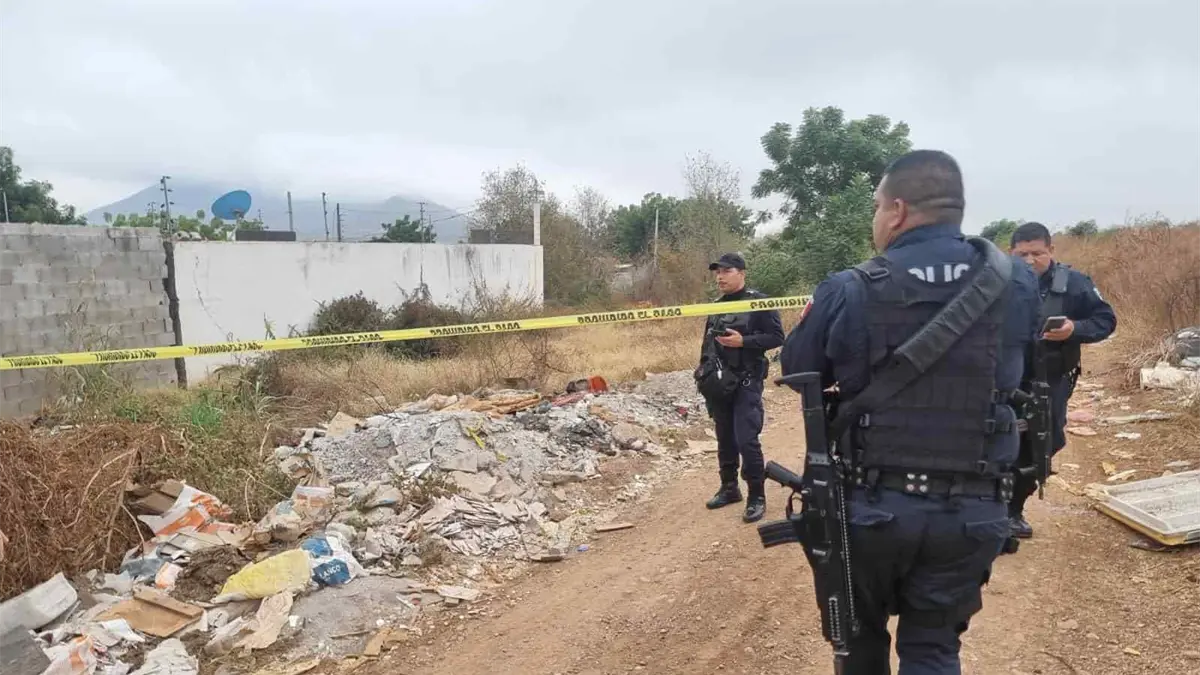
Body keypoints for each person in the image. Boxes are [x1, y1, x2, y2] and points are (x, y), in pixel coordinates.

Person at [779, 149, 1042, 673]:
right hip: (973, 509)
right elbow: (1022, 370)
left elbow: (799, 367)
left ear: (897, 210)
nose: (876, 219)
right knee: (934, 649)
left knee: (859, 644)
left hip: (872, 508)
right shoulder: (1014, 279)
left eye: (877, 207)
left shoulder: (850, 286)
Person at [1007, 222, 1116, 538]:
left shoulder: (1074, 283)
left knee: (1046, 440)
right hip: (1006, 379)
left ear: (1051, 250)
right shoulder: (998, 281)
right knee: (1000, 440)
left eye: (1037, 253)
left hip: (1050, 379)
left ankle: (1015, 506)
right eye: (1022, 254)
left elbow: (1105, 320)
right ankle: (998, 509)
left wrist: (1074, 329)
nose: (1030, 260)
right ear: (1011, 253)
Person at [696, 252, 785, 524]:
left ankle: (756, 495)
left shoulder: (758, 302)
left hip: (747, 380)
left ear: (742, 273)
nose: (720, 277)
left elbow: (777, 337)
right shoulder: (716, 306)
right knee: (724, 437)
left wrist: (744, 341)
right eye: (717, 272)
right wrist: (703, 374)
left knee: (746, 438)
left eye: (726, 271)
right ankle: (729, 487)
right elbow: (707, 344)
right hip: (720, 382)